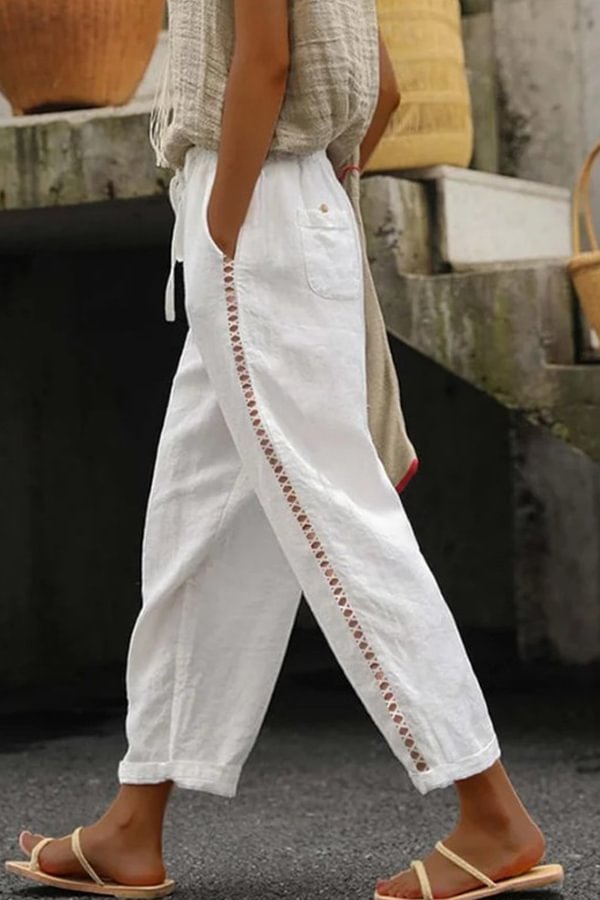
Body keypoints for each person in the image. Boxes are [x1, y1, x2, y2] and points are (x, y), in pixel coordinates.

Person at [6, 2, 564, 898]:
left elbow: (265, 62)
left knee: (338, 524)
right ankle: (132, 824)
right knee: (193, 526)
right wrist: (300, 203)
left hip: (251, 223)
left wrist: (226, 225)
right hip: (284, 209)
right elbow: (383, 87)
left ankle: (493, 812)